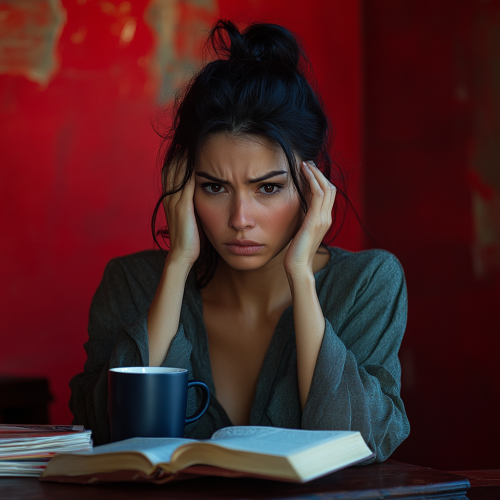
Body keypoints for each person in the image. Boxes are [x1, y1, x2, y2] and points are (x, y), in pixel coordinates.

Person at [69, 20, 410, 462]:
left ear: (310, 186)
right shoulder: (131, 283)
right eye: (214, 187)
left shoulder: (367, 283)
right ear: (183, 186)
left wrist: (302, 278)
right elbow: (110, 432)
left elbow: (358, 444)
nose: (240, 219)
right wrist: (177, 265)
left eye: (268, 188)